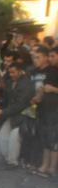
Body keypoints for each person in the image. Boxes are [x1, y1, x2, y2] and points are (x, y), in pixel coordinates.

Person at [0, 63, 35, 168]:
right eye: (10, 72)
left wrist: (3, 112)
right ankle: (8, 159)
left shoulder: (27, 84)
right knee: (2, 136)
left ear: (20, 71)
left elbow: (20, 104)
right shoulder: (11, 82)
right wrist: (0, 109)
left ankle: (12, 162)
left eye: (13, 72)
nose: (11, 74)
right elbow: (7, 98)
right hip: (11, 115)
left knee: (14, 138)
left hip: (23, 116)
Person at [29, 47, 58, 178]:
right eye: (50, 56)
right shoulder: (52, 71)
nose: (51, 59)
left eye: (53, 56)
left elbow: (50, 88)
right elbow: (43, 88)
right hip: (45, 109)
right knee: (46, 139)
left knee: (53, 140)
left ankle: (52, 168)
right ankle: (44, 166)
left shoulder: (53, 70)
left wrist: (54, 90)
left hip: (55, 110)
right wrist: (37, 98)